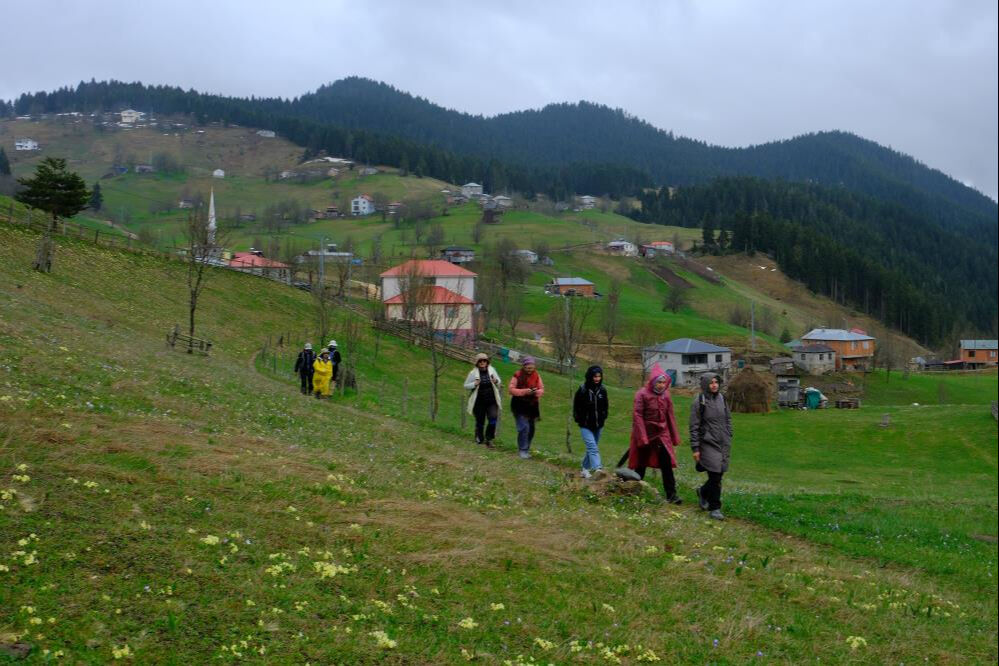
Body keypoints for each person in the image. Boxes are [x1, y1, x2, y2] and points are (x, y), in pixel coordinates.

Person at [627, 363, 682, 504]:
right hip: (645, 433)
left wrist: (674, 437)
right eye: (659, 382)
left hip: (662, 435)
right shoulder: (642, 394)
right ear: (653, 382)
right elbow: (638, 416)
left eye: (663, 382)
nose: (662, 385)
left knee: (666, 464)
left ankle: (672, 495)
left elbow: (670, 416)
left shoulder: (666, 396)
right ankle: (633, 491)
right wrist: (643, 437)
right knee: (640, 464)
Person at [689, 373, 732, 520]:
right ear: (705, 385)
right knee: (715, 475)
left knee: (719, 474)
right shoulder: (699, 401)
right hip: (707, 443)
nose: (714, 385)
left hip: (722, 443)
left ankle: (703, 491)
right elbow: (694, 426)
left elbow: (728, 418)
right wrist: (695, 448)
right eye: (711, 382)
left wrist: (729, 433)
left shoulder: (722, 398)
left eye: (716, 382)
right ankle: (715, 508)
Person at [573, 365, 608, 478]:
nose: (597, 378)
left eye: (599, 376)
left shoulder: (602, 390)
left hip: (599, 425)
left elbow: (605, 406)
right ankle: (598, 468)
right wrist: (579, 419)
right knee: (592, 447)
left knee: (592, 447)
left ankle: (584, 468)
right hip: (585, 425)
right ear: (590, 376)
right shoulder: (583, 390)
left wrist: (603, 416)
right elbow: (576, 406)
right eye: (595, 376)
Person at [508, 357, 544, 459]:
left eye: (532, 368)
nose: (530, 370)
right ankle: (522, 450)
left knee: (531, 429)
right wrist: (524, 391)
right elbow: (511, 390)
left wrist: (535, 392)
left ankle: (526, 449)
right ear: (523, 366)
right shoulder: (517, 375)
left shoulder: (537, 376)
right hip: (519, 405)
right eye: (528, 368)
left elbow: (541, 389)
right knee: (524, 427)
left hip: (532, 406)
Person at [464, 353, 502, 448]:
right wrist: (474, 384)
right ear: (477, 362)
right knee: (480, 421)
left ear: (487, 362)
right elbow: (466, 385)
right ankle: (479, 438)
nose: (482, 362)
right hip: (479, 401)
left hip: (491, 401)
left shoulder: (492, 370)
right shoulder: (473, 373)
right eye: (480, 361)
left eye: (484, 360)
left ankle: (489, 439)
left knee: (493, 418)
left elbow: (499, 380)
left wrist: (496, 381)